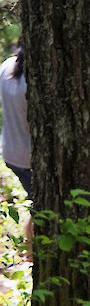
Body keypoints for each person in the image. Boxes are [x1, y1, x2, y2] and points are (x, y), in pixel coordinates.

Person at [0, 48, 33, 246]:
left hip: (10, 152)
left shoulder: (5, 66)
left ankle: (32, 251)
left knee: (37, 202)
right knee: (42, 207)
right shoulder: (32, 80)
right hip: (28, 157)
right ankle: (32, 251)